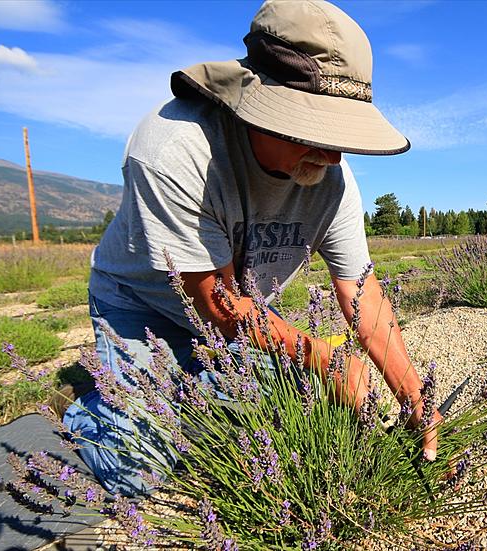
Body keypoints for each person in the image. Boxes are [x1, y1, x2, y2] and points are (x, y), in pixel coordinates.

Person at [62, 0, 441, 496]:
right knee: (138, 471)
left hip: (244, 316)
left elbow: (363, 293)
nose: (332, 155)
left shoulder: (333, 181)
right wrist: (323, 359)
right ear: (255, 104)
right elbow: (218, 306)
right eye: (317, 131)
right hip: (142, 305)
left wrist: (415, 396)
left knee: (262, 426)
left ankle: (183, 389)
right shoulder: (176, 149)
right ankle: (88, 410)